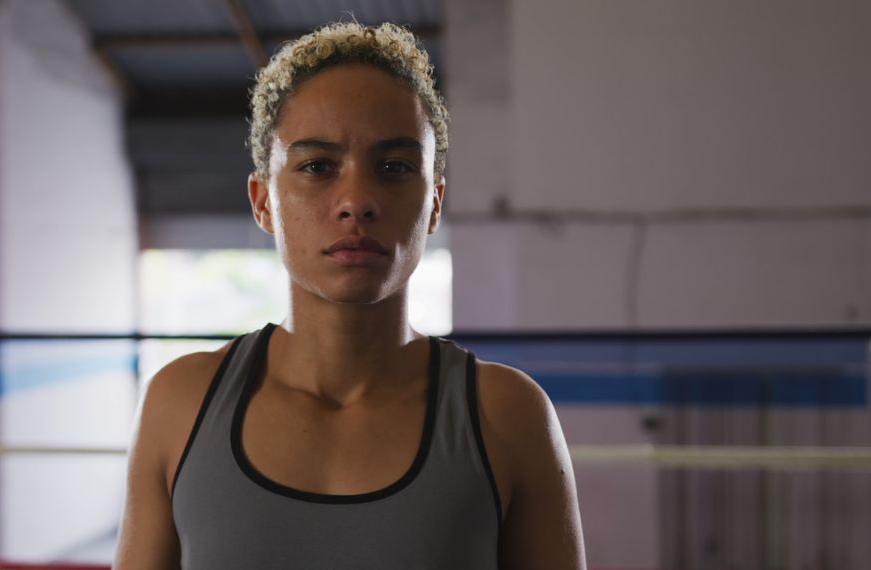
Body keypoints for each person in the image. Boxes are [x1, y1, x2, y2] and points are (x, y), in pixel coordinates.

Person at [114, 22, 586, 570]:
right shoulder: (179, 404)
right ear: (262, 201)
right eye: (317, 166)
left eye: (394, 168)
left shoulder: (507, 414)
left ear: (433, 204)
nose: (357, 201)